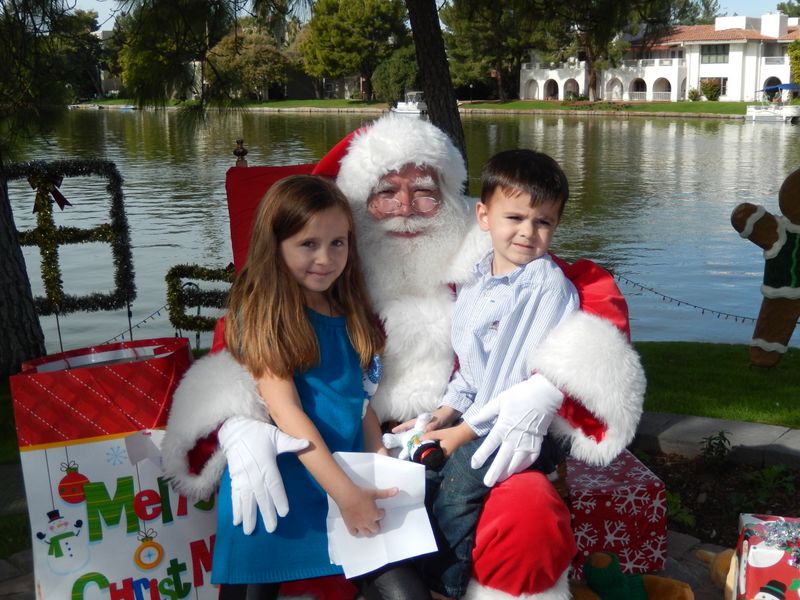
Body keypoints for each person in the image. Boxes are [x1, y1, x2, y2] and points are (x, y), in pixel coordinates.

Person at [164, 114, 646, 600]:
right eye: (385, 192)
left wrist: (544, 389)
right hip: (346, 452)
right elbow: (245, 347)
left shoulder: (491, 252)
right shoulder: (323, 281)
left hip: (462, 432)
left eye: (424, 190)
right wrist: (237, 423)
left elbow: (590, 295)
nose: (407, 209)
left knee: (528, 509)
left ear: (457, 201)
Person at [168, 174, 429, 600]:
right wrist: (345, 495)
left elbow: (360, 398)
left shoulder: (350, 309)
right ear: (276, 245)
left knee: (404, 591)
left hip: (346, 475)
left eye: (337, 243)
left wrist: (379, 455)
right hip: (278, 487)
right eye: (308, 244)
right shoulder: (264, 314)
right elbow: (288, 413)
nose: (325, 258)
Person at [402, 148, 580, 599]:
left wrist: (460, 436)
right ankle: (409, 571)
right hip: (482, 413)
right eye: (515, 217)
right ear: (484, 215)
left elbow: (510, 385)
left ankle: (448, 587)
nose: (528, 232)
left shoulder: (543, 284)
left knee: (457, 487)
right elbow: (473, 370)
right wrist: (442, 414)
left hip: (521, 424)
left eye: (543, 222)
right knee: (419, 471)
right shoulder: (477, 278)